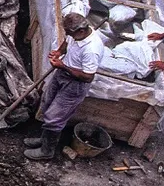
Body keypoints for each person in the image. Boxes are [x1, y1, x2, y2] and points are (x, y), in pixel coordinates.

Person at [24, 12, 104, 161]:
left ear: (81, 30)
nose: (67, 34)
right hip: (62, 74)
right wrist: (59, 52)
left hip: (75, 84)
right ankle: (44, 139)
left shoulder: (92, 50)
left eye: (70, 32)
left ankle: (47, 150)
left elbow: (88, 77)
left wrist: (63, 66)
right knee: (47, 103)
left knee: (55, 117)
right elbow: (67, 42)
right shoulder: (75, 33)